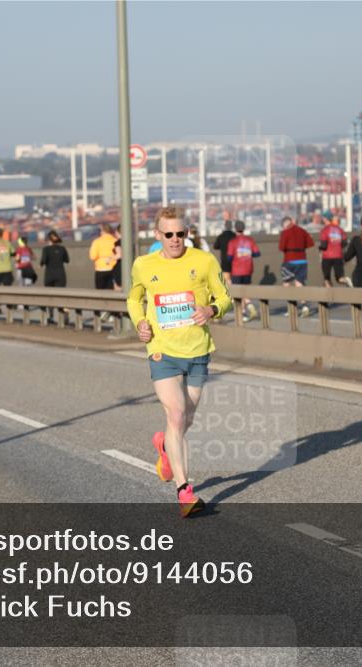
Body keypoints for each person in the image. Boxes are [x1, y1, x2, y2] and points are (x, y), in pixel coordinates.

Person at [126, 206, 231, 518]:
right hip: (162, 351)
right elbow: (134, 299)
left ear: (188, 233)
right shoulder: (144, 265)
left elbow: (225, 297)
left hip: (198, 351)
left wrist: (212, 310)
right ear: (158, 235)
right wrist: (139, 322)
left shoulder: (204, 260)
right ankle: (184, 491)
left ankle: (165, 449)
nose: (174, 240)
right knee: (176, 414)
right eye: (168, 234)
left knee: (187, 420)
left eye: (180, 234)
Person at [277, 216, 314, 317]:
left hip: (289, 260)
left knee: (286, 283)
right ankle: (305, 306)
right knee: (299, 283)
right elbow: (310, 243)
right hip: (302, 260)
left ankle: (291, 308)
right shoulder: (302, 231)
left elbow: (281, 247)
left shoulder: (285, 232)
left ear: (285, 224)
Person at [226, 219, 261, 321]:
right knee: (245, 290)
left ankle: (243, 312)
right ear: (244, 228)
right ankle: (250, 306)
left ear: (235, 229)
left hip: (236, 270)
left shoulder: (233, 242)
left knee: (237, 293)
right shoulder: (250, 240)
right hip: (248, 269)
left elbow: (229, 257)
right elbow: (257, 253)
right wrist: (247, 253)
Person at [318, 214, 352, 287]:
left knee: (327, 278)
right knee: (340, 278)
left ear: (326, 220)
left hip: (327, 257)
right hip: (338, 256)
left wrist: (319, 248)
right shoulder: (340, 229)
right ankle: (347, 280)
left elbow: (323, 246)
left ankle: (328, 296)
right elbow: (344, 243)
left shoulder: (325, 230)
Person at [90, 223, 118, 289]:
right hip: (113, 269)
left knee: (100, 292)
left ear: (102, 231)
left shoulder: (96, 242)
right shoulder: (115, 241)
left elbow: (93, 256)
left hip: (100, 269)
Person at [212, 219, 237, 284]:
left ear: (225, 226)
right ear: (231, 226)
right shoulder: (234, 236)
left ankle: (230, 292)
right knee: (235, 278)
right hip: (234, 260)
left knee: (227, 280)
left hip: (224, 260)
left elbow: (215, 246)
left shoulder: (221, 236)